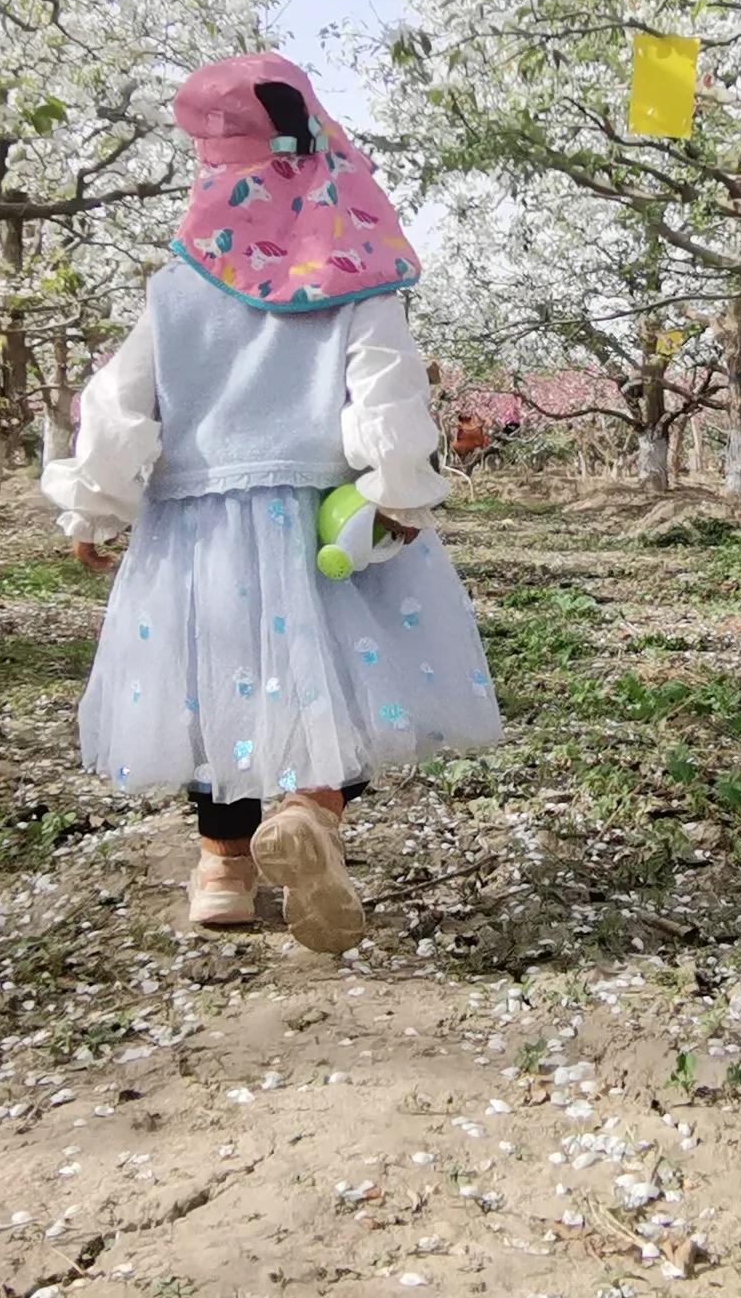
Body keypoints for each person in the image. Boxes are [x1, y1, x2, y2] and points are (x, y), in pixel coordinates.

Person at [41, 52, 500, 949]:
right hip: (318, 520)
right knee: (331, 682)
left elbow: (119, 404)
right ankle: (312, 815)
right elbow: (387, 393)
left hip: (198, 532)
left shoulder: (175, 291)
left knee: (219, 687)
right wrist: (400, 489)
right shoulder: (353, 278)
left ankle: (221, 869)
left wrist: (95, 508)